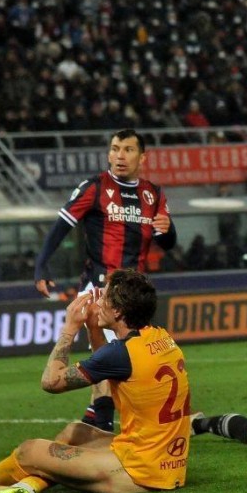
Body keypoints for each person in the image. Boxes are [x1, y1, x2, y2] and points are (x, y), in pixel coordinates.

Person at [0, 268, 191, 493]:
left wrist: (69, 328)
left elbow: (50, 382)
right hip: (167, 462)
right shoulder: (158, 336)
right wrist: (93, 328)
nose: (98, 299)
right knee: (74, 432)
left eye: (104, 296)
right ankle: (23, 488)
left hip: (140, 472)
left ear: (118, 311)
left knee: (30, 451)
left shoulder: (121, 354)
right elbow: (110, 366)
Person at [33, 129, 177, 433]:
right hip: (102, 289)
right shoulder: (94, 188)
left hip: (136, 292)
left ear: (142, 157)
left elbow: (167, 242)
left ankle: (95, 419)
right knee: (111, 357)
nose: (120, 156)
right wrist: (41, 264)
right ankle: (104, 428)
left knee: (122, 359)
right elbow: (61, 226)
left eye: (127, 149)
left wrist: (169, 229)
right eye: (114, 149)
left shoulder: (153, 194)